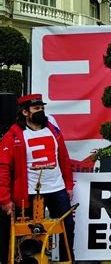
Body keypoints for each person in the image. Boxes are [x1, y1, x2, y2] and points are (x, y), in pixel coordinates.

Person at [0, 94, 75, 261]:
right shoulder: (13, 136)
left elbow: (63, 158)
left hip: (57, 188)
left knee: (67, 227)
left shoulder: (53, 129)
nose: (41, 111)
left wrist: (68, 185)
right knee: (22, 232)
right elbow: (3, 168)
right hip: (26, 193)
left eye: (42, 108)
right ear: (25, 112)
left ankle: (67, 259)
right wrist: (5, 199)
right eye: (36, 109)